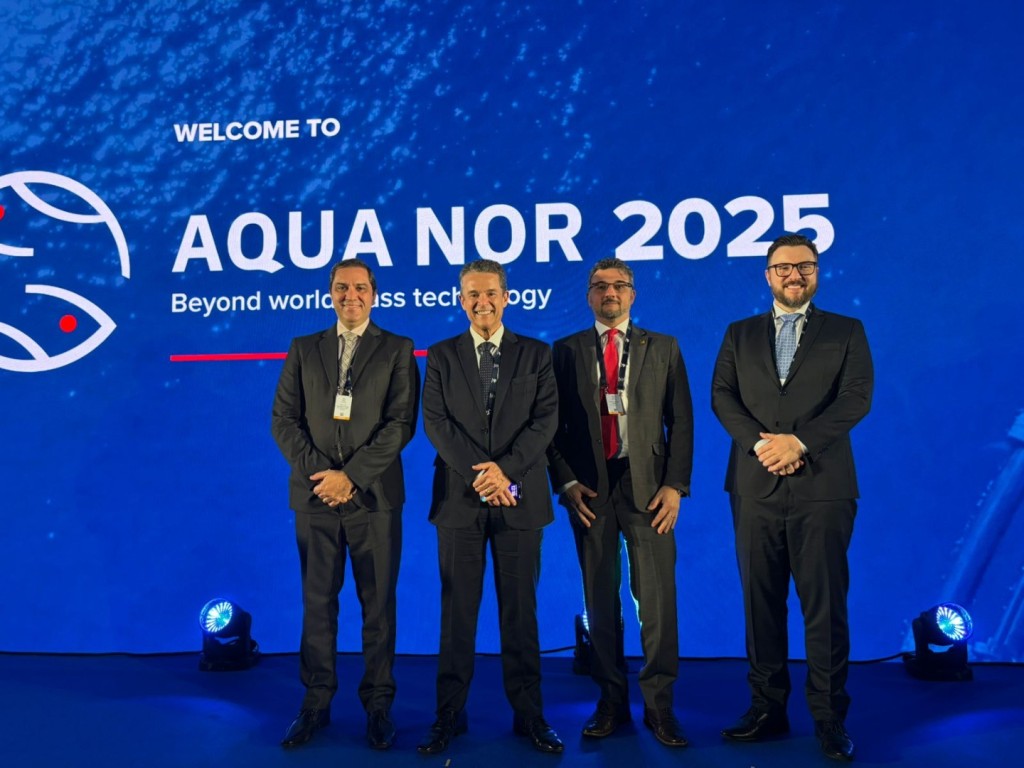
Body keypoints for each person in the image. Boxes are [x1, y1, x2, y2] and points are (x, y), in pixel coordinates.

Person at [711, 233, 873, 762]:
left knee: (824, 607)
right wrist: (763, 446)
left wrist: (799, 443)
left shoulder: (847, 331)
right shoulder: (738, 334)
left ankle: (828, 718)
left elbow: (856, 398)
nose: (793, 275)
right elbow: (722, 396)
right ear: (768, 276)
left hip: (823, 488)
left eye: (804, 266)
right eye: (783, 267)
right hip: (754, 486)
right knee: (760, 604)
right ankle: (766, 709)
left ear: (817, 272)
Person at [271, 258, 419, 751]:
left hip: (374, 500)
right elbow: (283, 420)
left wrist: (351, 477)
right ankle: (315, 702)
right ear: (329, 293)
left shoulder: (397, 349)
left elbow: (400, 424)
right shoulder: (303, 348)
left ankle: (378, 706)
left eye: (359, 287)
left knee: (378, 607)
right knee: (317, 604)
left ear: (374, 294)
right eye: (341, 287)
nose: (349, 295)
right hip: (315, 498)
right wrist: (324, 478)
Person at [417, 259, 563, 756]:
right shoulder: (441, 355)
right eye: (473, 295)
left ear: (506, 297)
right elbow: (436, 423)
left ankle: (530, 716)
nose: (482, 302)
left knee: (521, 613)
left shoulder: (537, 354)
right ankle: (448, 715)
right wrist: (483, 477)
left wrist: (507, 473)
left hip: (520, 499)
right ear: (462, 300)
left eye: (491, 293)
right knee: (457, 613)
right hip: (460, 500)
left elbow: (545, 421)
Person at [547, 257, 693, 748]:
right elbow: (549, 426)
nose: (609, 293)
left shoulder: (664, 347)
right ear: (589, 295)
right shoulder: (565, 351)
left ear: (633, 293)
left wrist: (675, 485)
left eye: (619, 285)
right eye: (600, 286)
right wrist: (565, 482)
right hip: (590, 491)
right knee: (600, 600)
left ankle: (659, 706)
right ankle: (611, 700)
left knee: (657, 601)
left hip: (650, 488)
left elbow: (681, 421)